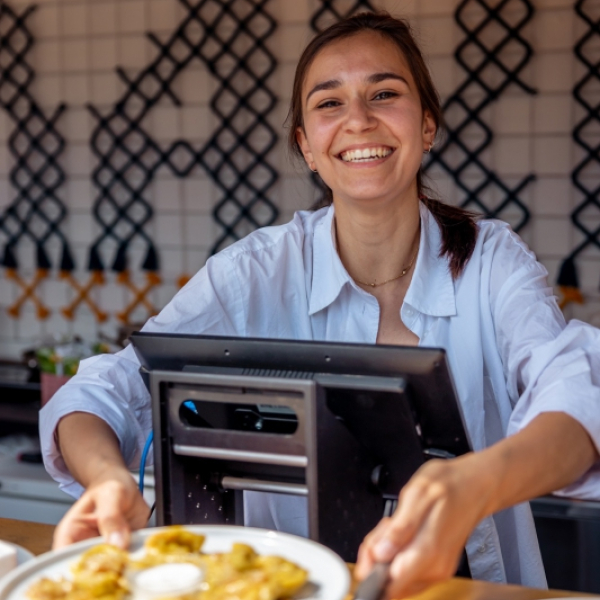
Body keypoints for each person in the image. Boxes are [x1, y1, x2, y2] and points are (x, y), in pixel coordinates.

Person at [40, 11, 600, 599]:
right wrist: (107, 480)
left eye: (384, 93)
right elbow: (105, 388)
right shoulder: (253, 273)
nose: (359, 120)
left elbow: (577, 387)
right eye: (329, 104)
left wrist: (476, 483)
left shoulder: (490, 261)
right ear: (306, 146)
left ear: (427, 125)